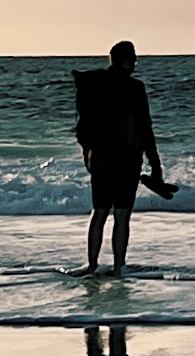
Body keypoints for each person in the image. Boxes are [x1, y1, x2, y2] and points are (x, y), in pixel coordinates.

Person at [70, 38, 172, 277]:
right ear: (127, 62)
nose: (135, 65)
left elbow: (84, 126)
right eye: (134, 60)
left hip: (101, 158)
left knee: (100, 212)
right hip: (128, 158)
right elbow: (145, 128)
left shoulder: (94, 84)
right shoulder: (135, 88)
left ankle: (92, 266)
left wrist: (88, 152)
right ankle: (119, 266)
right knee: (122, 215)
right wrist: (155, 165)